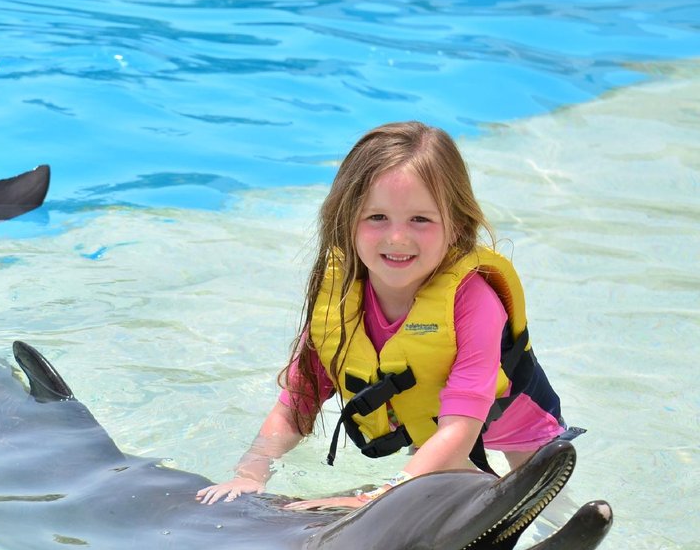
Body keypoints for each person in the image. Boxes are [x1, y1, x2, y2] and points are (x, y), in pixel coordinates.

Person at [196, 121, 579, 510]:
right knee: (433, 475)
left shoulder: (475, 303)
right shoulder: (341, 298)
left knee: (542, 503)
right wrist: (250, 472)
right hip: (427, 423)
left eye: (421, 219)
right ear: (346, 221)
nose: (397, 238)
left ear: (458, 227)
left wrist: (371, 499)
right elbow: (296, 405)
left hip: (510, 421)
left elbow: (460, 430)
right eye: (377, 217)